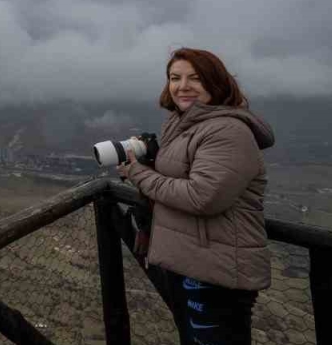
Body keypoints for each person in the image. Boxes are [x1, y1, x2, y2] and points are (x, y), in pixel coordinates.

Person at [117, 48, 276, 345]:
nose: (182, 86)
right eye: (175, 78)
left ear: (216, 83)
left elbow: (203, 197)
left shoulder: (228, 131)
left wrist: (137, 173)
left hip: (215, 271)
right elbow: (182, 176)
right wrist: (151, 162)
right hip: (189, 260)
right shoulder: (183, 124)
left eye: (195, 78)